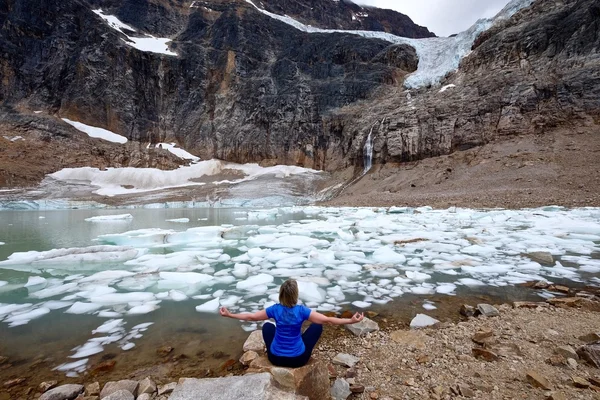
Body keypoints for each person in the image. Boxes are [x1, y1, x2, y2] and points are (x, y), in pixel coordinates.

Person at [219, 279, 364, 368]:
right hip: (298, 360)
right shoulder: (302, 311)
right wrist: (350, 320)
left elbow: (251, 317)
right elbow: (327, 320)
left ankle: (284, 346)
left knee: (267, 326)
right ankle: (295, 345)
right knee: (317, 325)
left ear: (281, 294)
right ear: (295, 295)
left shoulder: (275, 309)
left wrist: (230, 314)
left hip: (275, 358)